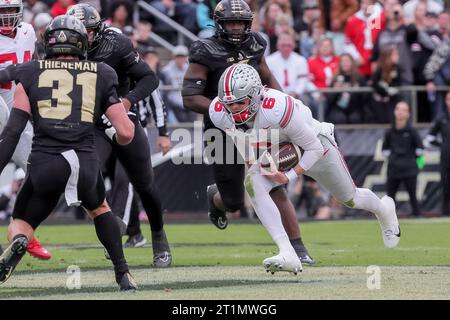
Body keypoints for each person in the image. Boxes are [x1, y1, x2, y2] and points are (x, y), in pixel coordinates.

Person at [209, 64, 401, 273]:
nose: (234, 109)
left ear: (255, 95)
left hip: (317, 146)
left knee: (350, 198)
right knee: (253, 181)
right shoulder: (219, 111)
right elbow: (240, 139)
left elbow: (314, 148)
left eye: (240, 102)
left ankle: (384, 209)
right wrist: (252, 162)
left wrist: (290, 176)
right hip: (277, 149)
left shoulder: (277, 107)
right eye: (229, 104)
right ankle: (287, 252)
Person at [0, 15, 137, 290]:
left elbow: (13, 132)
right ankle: (123, 273)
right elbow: (126, 132)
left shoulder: (29, 72)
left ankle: (20, 241)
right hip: (85, 161)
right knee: (100, 208)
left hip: (45, 164)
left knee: (21, 222)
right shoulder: (102, 73)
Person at [182, 0, 315, 264]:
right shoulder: (205, 51)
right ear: (219, 24)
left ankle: (297, 248)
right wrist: (228, 111)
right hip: (222, 128)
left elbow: (268, 78)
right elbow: (189, 97)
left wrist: (283, 103)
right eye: (230, 22)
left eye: (240, 23)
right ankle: (216, 199)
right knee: (233, 202)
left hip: (256, 124)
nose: (235, 28)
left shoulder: (254, 44)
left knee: (274, 182)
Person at [67, 3, 172, 267]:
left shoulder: (116, 43)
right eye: (77, 32)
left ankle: (159, 235)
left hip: (122, 118)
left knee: (144, 183)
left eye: (88, 32)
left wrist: (126, 102)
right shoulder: (62, 49)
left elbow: (149, 78)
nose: (83, 38)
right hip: (90, 122)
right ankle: (112, 226)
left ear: (98, 30)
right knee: (88, 175)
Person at [0, 0, 51, 260]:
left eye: (11, 11)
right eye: (2, 12)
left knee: (39, 173)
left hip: (20, 117)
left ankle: (24, 232)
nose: (7, 18)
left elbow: (36, 65)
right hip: (2, 114)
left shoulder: (29, 31)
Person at [382, 101, 424, 217]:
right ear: (395, 112)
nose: (400, 112)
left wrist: (416, 163)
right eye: (398, 109)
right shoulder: (389, 131)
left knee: (413, 196)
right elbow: (385, 150)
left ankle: (417, 215)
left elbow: (420, 149)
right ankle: (389, 219)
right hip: (393, 168)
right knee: (390, 197)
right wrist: (392, 158)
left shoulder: (413, 131)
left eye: (403, 110)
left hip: (409, 168)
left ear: (408, 114)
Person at [423, 91, 450, 216]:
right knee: (445, 188)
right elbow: (429, 139)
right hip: (446, 159)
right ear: (446, 101)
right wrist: (443, 145)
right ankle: (445, 214)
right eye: (449, 99)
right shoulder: (441, 118)